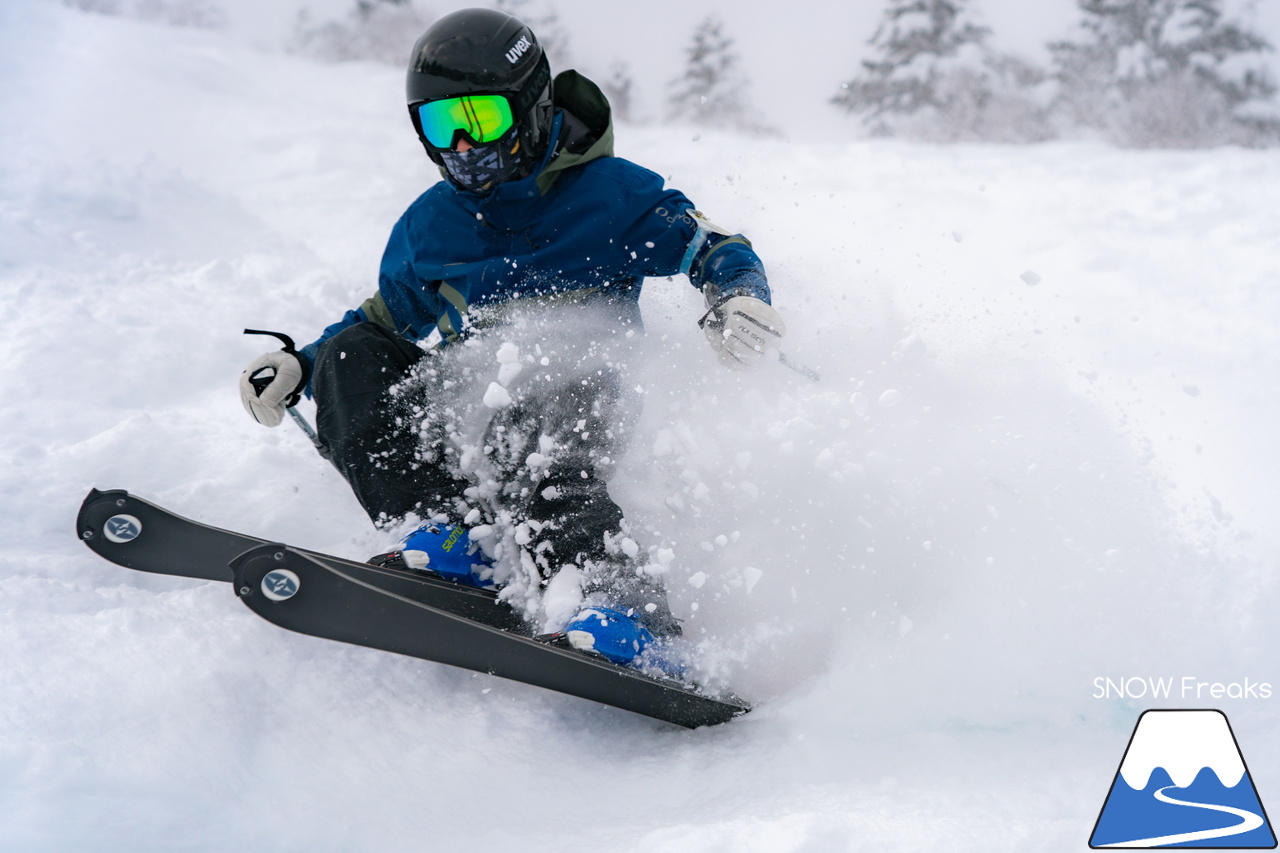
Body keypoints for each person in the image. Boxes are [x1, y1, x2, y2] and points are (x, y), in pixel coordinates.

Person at [238, 8, 784, 670]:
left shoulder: (609, 195)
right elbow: (382, 321)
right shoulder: (434, 225)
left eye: (481, 119)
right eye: (443, 126)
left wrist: (738, 295)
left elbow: (709, 244)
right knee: (355, 355)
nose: (464, 146)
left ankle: (622, 602)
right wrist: (303, 363)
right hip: (473, 407)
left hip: (582, 394)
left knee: (538, 423)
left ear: (530, 106)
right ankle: (441, 534)